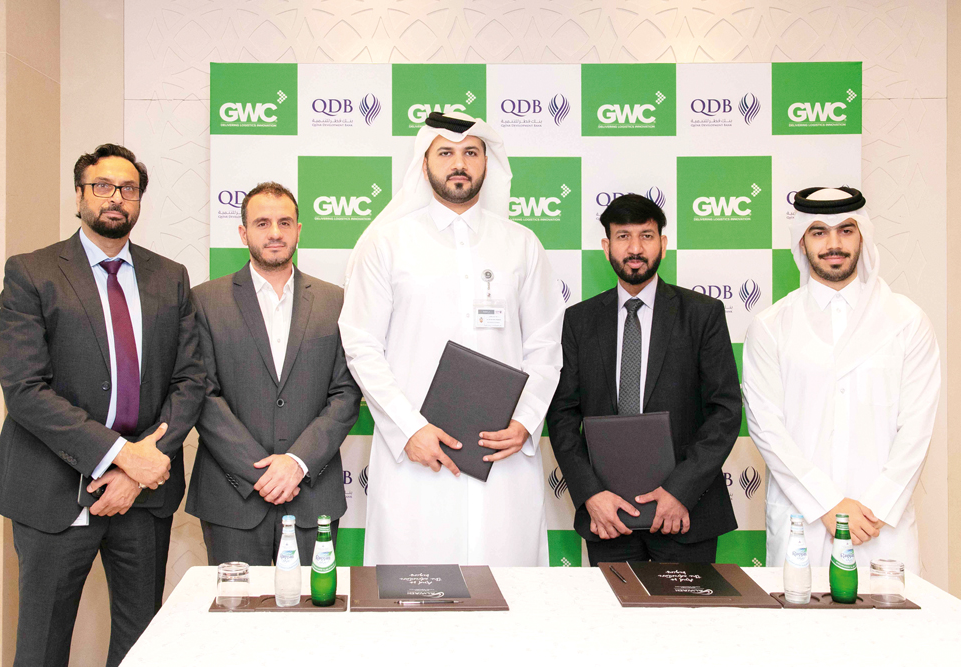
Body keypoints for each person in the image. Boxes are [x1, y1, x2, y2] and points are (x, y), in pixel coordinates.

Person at [0, 144, 205, 666]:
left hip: (144, 494)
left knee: (141, 645)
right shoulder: (32, 273)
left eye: (129, 189)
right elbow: (24, 389)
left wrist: (141, 467)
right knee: (41, 645)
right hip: (52, 489)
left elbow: (190, 380)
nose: (116, 198)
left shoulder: (169, 276)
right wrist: (119, 456)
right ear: (79, 194)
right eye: (102, 186)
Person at [338, 112, 565, 566]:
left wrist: (523, 423)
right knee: (415, 594)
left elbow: (544, 345)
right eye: (445, 152)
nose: (458, 163)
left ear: (487, 163)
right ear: (424, 164)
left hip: (503, 453)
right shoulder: (386, 244)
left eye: (470, 152)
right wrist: (410, 429)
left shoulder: (521, 244)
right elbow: (362, 345)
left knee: (508, 586)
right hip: (417, 457)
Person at [743, 186, 940, 571]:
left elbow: (917, 425)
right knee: (798, 627)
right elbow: (767, 427)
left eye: (846, 230)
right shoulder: (771, 327)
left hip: (881, 524)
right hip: (804, 521)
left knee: (889, 629)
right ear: (802, 241)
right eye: (819, 231)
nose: (833, 243)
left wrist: (878, 505)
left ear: (862, 236)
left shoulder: (907, 321)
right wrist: (827, 505)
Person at [546, 194, 741, 566]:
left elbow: (725, 412)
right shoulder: (579, 321)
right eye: (623, 237)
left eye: (647, 236)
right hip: (608, 517)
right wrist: (591, 496)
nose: (635, 248)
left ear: (663, 244)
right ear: (606, 247)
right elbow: (562, 415)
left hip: (685, 514)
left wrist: (680, 492)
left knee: (687, 623)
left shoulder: (702, 315)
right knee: (610, 622)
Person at [187, 181, 361, 565]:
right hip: (231, 497)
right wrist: (262, 472)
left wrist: (296, 462)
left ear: (299, 230)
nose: (275, 233)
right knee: (237, 618)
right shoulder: (204, 300)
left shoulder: (337, 301)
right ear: (243, 232)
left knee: (310, 619)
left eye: (285, 222)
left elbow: (346, 394)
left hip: (312, 495)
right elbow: (201, 394)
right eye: (262, 223)